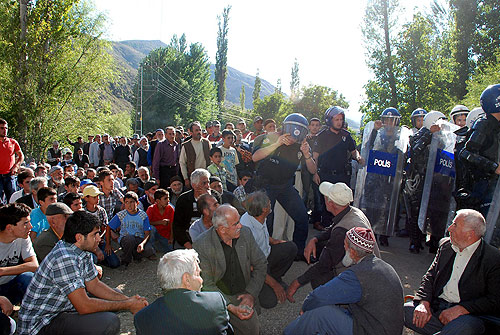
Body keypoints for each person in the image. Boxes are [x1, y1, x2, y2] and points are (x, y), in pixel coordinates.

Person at [18, 211, 148, 335]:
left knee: (116, 295)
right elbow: (84, 306)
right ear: (79, 237)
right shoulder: (65, 258)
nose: (99, 239)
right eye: (95, 234)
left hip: (61, 310)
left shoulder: (80, 249)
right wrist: (128, 304)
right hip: (41, 324)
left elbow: (94, 285)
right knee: (108, 322)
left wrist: (129, 300)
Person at [284, 227, 404, 335]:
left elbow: (318, 297)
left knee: (320, 314)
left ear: (352, 252)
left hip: (370, 330)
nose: (344, 248)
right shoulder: (385, 266)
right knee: (335, 309)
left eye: (345, 245)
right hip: (382, 327)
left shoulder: (357, 275)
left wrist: (305, 308)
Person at [404, 209, 500, 335]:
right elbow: (430, 277)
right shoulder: (446, 246)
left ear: (469, 234)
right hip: (437, 308)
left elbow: (494, 299)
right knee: (401, 311)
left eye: (455, 225)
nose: (449, 228)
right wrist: (424, 303)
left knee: (463, 327)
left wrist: (462, 309)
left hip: (469, 316)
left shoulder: (492, 258)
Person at [286, 182, 380, 302]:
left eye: (325, 197)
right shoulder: (353, 212)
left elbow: (324, 265)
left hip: (361, 280)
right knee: (321, 246)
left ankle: (338, 305)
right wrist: (315, 239)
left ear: (330, 203)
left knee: (319, 277)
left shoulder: (341, 231)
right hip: (370, 269)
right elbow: (332, 228)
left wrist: (297, 283)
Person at [193, 205, 267, 335]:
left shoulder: (246, 234)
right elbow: (207, 284)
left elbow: (261, 263)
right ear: (222, 229)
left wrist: (251, 294)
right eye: (236, 224)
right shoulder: (202, 245)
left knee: (253, 331)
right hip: (219, 296)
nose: (240, 226)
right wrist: (230, 307)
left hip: (242, 293)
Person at [252, 113, 316, 259]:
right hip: (266, 184)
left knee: (301, 216)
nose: (293, 137)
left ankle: (298, 251)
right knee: (266, 219)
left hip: (285, 185)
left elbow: (312, 170)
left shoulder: (302, 145)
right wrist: (277, 144)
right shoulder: (274, 137)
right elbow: (255, 157)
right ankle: (263, 255)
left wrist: (307, 154)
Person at [134, 249, 232, 335]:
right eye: (198, 273)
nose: (201, 280)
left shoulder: (142, 317)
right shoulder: (215, 302)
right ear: (187, 279)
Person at [241, 191, 297, 309]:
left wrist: (273, 241)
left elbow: (262, 233)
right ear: (264, 209)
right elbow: (250, 266)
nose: (270, 203)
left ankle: (275, 276)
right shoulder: (245, 229)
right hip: (255, 268)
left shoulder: (257, 215)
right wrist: (274, 284)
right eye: (269, 203)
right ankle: (269, 281)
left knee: (291, 247)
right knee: (269, 302)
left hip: (265, 256)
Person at [459, 84, 500, 246]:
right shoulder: (484, 124)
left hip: (495, 188)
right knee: (486, 236)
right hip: (483, 188)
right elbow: (466, 154)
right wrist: (493, 167)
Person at [312, 107, 363, 229]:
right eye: (336, 119)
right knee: (327, 206)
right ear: (329, 120)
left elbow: (354, 151)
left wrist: (359, 157)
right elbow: (315, 157)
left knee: (342, 205)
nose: (339, 122)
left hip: (342, 176)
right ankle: (326, 235)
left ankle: (340, 231)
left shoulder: (346, 135)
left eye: (341, 119)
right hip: (326, 175)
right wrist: (315, 173)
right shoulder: (322, 136)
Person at [0, 203, 38, 305]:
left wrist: (2, 271)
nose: (30, 226)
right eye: (25, 223)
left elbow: (34, 265)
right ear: (9, 228)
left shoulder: (23, 237)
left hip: (11, 285)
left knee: (29, 277)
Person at [107, 192, 155, 266]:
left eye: (132, 202)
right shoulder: (121, 215)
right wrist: (108, 244)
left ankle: (135, 254)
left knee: (149, 250)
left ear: (137, 203)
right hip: (126, 239)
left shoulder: (143, 215)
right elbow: (109, 227)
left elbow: (147, 233)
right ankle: (125, 260)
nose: (129, 205)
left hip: (139, 239)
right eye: (126, 202)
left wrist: (142, 244)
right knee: (130, 239)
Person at [83, 185, 120, 268]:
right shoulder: (83, 213)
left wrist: (108, 244)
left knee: (115, 263)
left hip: (100, 241)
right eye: (94, 197)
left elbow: (106, 227)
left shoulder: (101, 210)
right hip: (88, 244)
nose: (97, 198)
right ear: (86, 198)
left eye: (97, 196)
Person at [173, 169, 210, 249]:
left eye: (208, 182)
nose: (207, 186)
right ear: (194, 185)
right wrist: (189, 246)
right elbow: (178, 226)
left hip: (209, 235)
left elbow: (217, 218)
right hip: (188, 236)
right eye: (204, 183)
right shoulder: (183, 199)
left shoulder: (214, 196)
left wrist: (208, 199)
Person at [179, 122, 211, 187]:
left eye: (200, 130)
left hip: (206, 175)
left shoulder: (207, 143)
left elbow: (212, 159)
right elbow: (182, 163)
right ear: (191, 133)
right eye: (196, 130)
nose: (199, 132)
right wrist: (186, 178)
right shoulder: (186, 145)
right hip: (193, 177)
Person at [0, 119, 24, 204]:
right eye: (2, 128)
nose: (4, 130)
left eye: (6, 128)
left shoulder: (12, 142)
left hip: (10, 175)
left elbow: (21, 156)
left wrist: (16, 166)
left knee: (13, 199)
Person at [146, 188, 175, 253]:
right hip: (154, 233)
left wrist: (171, 237)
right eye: (165, 199)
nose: (168, 200)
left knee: (170, 250)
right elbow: (146, 223)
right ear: (158, 201)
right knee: (151, 228)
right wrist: (160, 222)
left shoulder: (170, 208)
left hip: (165, 235)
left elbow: (172, 224)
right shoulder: (151, 209)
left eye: (168, 198)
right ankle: (151, 250)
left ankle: (156, 246)